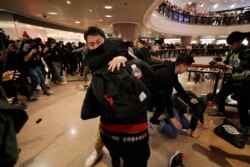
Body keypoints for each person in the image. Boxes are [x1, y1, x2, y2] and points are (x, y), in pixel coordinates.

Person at [83, 26, 150, 167]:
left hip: (133, 122)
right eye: (92, 44)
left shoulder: (125, 59)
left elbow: (146, 76)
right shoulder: (93, 63)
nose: (96, 46)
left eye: (99, 42)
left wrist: (122, 56)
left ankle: (113, 157)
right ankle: (112, 157)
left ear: (105, 40)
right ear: (87, 45)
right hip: (109, 115)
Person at [149, 54, 199, 137]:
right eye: (186, 68)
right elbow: (166, 97)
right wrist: (172, 117)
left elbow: (177, 85)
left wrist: (188, 98)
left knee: (163, 106)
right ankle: (153, 121)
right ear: (181, 66)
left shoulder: (173, 69)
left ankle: (154, 119)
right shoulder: (166, 74)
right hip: (152, 96)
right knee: (174, 132)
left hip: (159, 94)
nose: (186, 70)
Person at [216, 32, 250, 128]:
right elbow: (226, 62)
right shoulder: (232, 52)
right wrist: (218, 63)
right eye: (229, 44)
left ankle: (245, 125)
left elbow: (240, 69)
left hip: (245, 82)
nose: (230, 46)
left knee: (242, 105)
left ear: (239, 42)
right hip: (233, 79)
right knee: (221, 94)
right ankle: (221, 112)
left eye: (232, 44)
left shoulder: (247, 52)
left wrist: (224, 65)